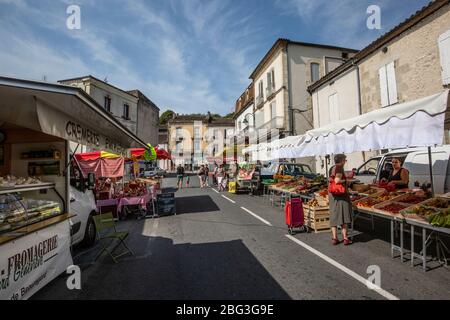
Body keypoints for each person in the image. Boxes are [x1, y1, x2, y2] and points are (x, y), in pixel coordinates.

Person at [328, 154, 353, 246]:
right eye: (345, 160)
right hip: (340, 194)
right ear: (342, 160)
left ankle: (335, 238)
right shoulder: (339, 168)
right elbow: (337, 180)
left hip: (332, 194)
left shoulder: (332, 167)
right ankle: (345, 238)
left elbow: (330, 179)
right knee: (343, 215)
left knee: (334, 215)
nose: (345, 161)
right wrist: (346, 181)